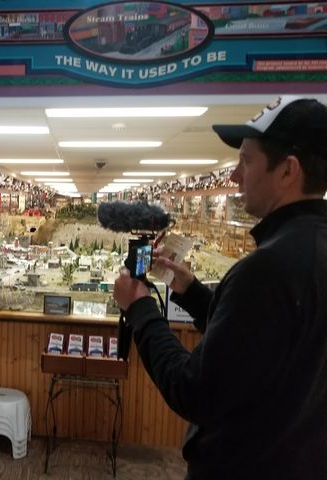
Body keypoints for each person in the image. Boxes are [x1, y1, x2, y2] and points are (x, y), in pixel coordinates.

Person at [113, 96, 327, 479]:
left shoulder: (266, 268)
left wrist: (140, 307)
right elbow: (259, 342)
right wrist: (191, 291)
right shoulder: (306, 253)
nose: (234, 177)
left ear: (288, 170)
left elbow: (194, 391)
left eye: (246, 160)